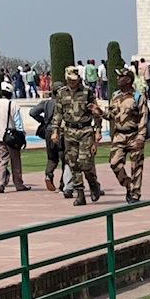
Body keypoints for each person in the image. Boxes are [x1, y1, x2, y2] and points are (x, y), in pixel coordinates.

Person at [55, 65, 102, 206]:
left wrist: (98, 130)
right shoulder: (61, 93)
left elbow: (95, 112)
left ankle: (93, 184)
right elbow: (58, 113)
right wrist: (55, 130)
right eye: (70, 79)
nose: (73, 82)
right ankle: (80, 194)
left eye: (75, 80)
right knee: (73, 163)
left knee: (85, 162)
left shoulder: (87, 92)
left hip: (85, 131)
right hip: (69, 132)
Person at [107, 68, 150, 200]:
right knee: (114, 163)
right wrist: (100, 112)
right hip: (119, 135)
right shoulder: (115, 96)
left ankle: (135, 193)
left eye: (121, 77)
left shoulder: (138, 97)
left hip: (134, 135)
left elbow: (143, 117)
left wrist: (141, 136)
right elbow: (111, 115)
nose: (118, 79)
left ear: (128, 80)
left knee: (136, 165)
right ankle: (128, 184)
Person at [0, 86, 30, 192]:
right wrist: (22, 135)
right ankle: (18, 183)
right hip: (11, 137)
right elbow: (18, 122)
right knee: (15, 161)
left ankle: (0, 182)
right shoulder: (13, 104)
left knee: (1, 161)